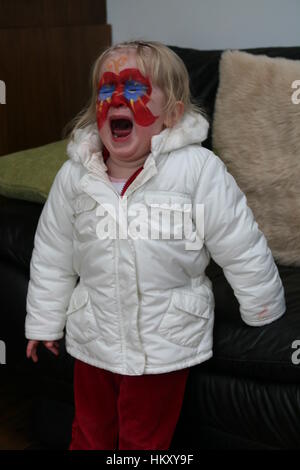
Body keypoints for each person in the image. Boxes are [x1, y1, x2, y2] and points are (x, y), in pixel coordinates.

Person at [25, 40, 286, 450]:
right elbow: (53, 254)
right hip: (94, 337)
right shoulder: (76, 177)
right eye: (105, 91)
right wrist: (43, 321)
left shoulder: (197, 170)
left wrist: (263, 306)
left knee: (143, 440)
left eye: (132, 89)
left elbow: (239, 240)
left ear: (173, 113)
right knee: (89, 433)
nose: (115, 100)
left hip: (163, 341)